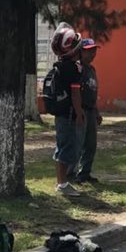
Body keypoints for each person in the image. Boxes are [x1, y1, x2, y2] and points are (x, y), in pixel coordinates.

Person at [50, 23, 86, 197]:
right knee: (67, 147)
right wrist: (79, 113)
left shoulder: (60, 66)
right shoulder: (73, 68)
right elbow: (75, 93)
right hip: (69, 114)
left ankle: (62, 181)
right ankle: (62, 183)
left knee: (61, 146)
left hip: (61, 114)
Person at [73, 37, 103, 184]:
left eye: (94, 51)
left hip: (91, 110)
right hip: (82, 110)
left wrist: (96, 112)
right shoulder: (78, 69)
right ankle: (71, 173)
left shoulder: (92, 70)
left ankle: (85, 172)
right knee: (78, 143)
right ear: (81, 52)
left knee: (91, 144)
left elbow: (93, 92)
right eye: (88, 51)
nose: (92, 54)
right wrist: (79, 111)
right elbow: (76, 92)